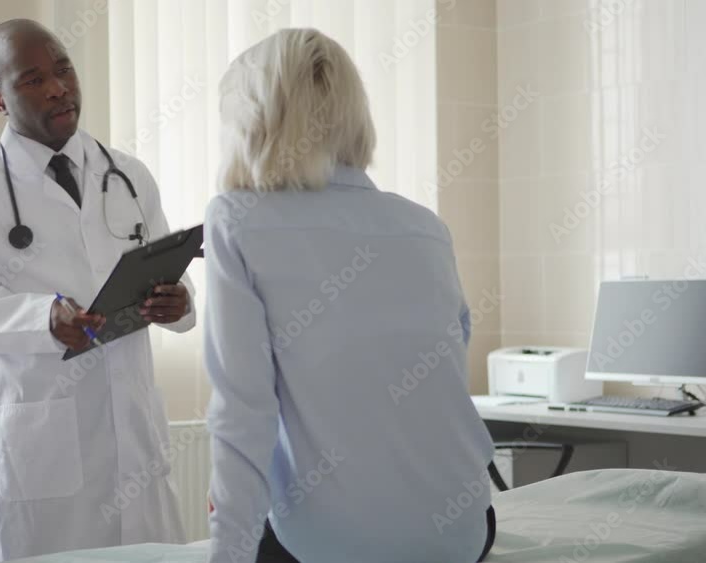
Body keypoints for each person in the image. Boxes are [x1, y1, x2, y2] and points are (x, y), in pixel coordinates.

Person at [203, 29, 495, 563]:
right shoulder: (425, 226)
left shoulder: (235, 220)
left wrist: (228, 550)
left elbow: (242, 413)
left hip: (328, 546)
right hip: (463, 534)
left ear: (252, 122)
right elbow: (448, 362)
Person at [0, 19, 195, 562]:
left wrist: (180, 303)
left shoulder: (130, 174)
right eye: (33, 80)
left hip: (134, 436)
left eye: (64, 69)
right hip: (43, 453)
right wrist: (41, 319)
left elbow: (171, 268)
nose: (58, 88)